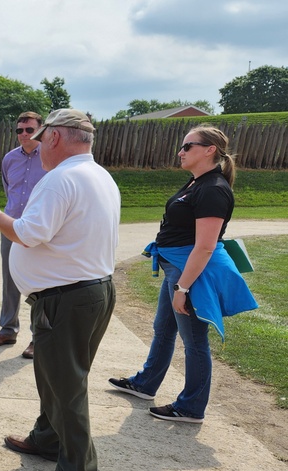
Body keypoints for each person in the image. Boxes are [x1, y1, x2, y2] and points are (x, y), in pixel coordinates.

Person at [0, 109, 120, 471]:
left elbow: (28, 233)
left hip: (66, 297)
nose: (36, 147)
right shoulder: (99, 175)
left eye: (40, 138)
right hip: (89, 291)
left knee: (66, 384)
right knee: (55, 374)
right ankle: (47, 438)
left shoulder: (61, 179)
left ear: (55, 137)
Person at [108, 126, 256, 423]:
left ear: (209, 150)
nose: (181, 151)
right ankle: (145, 384)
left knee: (194, 341)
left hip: (190, 273)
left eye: (188, 146)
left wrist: (184, 288)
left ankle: (191, 407)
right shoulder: (196, 183)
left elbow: (204, 246)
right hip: (176, 267)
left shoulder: (213, 189)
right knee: (163, 329)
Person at [0, 112, 47, 359]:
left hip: (36, 229)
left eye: (29, 130)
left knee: (37, 284)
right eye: (19, 130)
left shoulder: (50, 158)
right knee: (9, 279)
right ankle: (7, 329)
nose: (23, 135)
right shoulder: (9, 159)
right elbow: (8, 190)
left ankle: (37, 338)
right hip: (10, 226)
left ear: (40, 131)